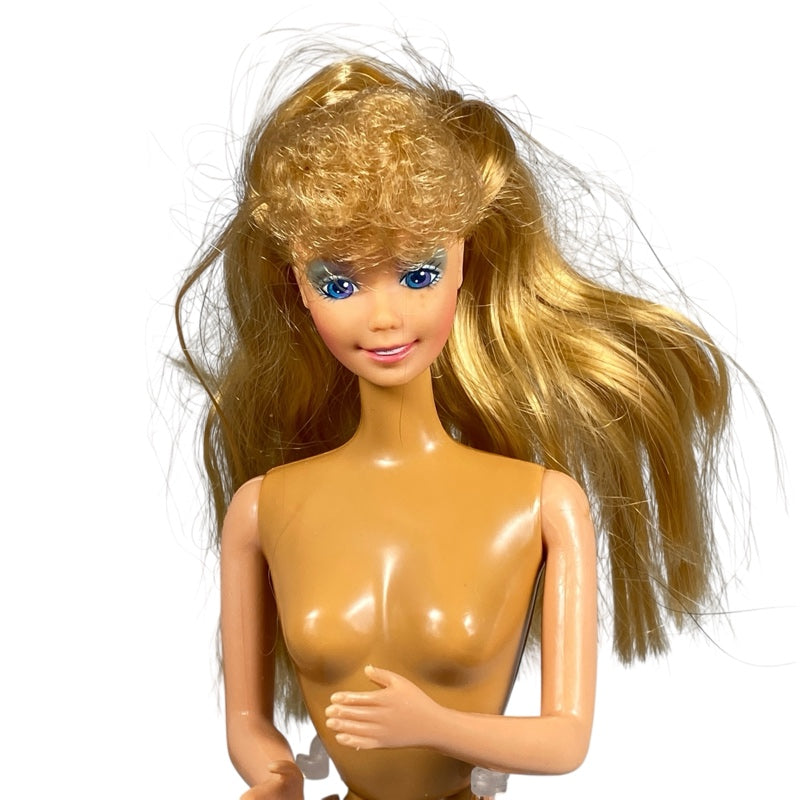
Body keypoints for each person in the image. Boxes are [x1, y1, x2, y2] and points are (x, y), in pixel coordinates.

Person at [175, 49, 732, 800]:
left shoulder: (543, 504)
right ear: (298, 286)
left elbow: (565, 738)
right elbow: (248, 722)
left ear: (464, 261)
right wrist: (277, 779)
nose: (384, 317)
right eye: (338, 282)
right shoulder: (262, 509)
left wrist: (432, 723)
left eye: (418, 274)